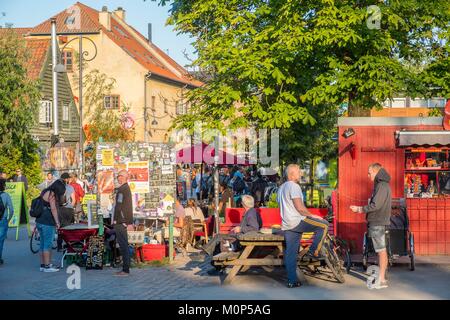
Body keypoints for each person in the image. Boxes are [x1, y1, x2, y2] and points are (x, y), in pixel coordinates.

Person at [277, 164, 329, 288]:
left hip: (287, 224)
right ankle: (313, 252)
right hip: (297, 221)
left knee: (291, 253)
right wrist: (313, 216)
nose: (301, 174)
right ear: (291, 174)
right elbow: (300, 208)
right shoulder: (294, 186)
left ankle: (292, 281)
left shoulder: (281, 188)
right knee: (324, 225)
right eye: (299, 172)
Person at [350, 163, 391, 289]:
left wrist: (359, 209)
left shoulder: (381, 185)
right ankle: (382, 278)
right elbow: (376, 203)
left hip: (378, 222)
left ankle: (381, 279)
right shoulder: (383, 184)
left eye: (369, 173)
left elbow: (375, 205)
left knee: (381, 251)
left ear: (375, 171)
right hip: (379, 221)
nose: (368, 175)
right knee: (382, 251)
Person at [36, 179, 65, 272]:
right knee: (47, 245)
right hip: (47, 222)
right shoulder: (51, 194)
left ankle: (43, 265)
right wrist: (57, 222)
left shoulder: (45, 191)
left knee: (42, 244)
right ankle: (47, 266)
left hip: (39, 221)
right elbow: (53, 209)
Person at [113, 170, 133, 276]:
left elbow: (119, 206)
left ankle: (125, 269)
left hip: (121, 221)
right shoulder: (126, 188)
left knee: (123, 245)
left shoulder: (122, 189)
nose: (118, 178)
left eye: (119, 176)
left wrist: (116, 219)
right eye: (118, 176)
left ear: (124, 177)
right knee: (124, 244)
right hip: (124, 220)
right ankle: (126, 268)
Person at [57, 173, 76, 251]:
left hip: (60, 209)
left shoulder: (57, 188)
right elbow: (74, 200)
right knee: (69, 227)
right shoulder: (70, 187)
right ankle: (69, 245)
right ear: (67, 179)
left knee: (60, 227)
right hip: (68, 209)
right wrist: (71, 207)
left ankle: (59, 245)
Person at [0, 178, 14, 265]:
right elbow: (12, 210)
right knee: (0, 240)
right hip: (2, 220)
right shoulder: (6, 195)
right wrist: (8, 219)